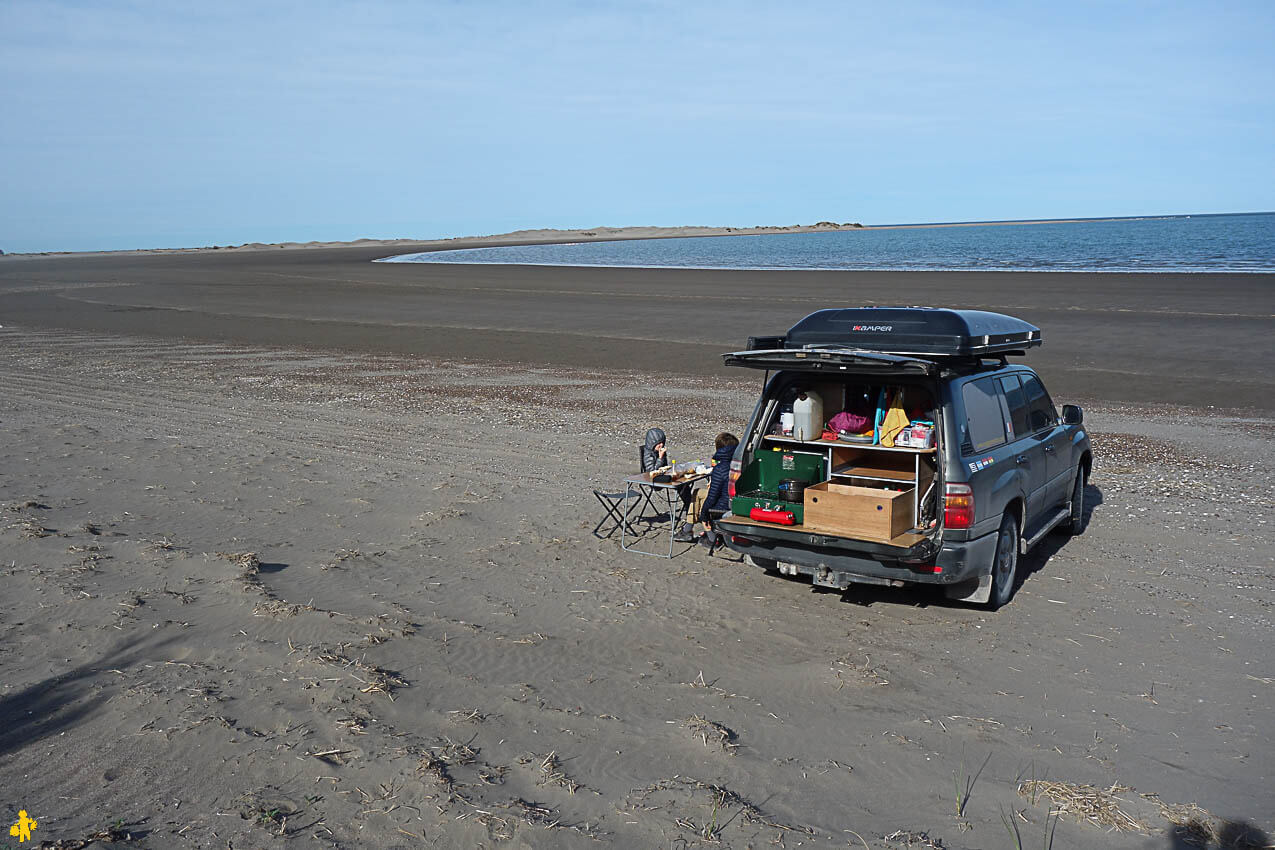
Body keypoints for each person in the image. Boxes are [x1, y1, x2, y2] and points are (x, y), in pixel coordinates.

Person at [695, 432, 739, 548]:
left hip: (725, 507)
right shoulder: (740, 463)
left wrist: (703, 516)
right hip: (734, 503)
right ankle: (688, 529)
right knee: (698, 494)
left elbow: (712, 497)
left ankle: (712, 539)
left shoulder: (720, 468)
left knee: (702, 504)